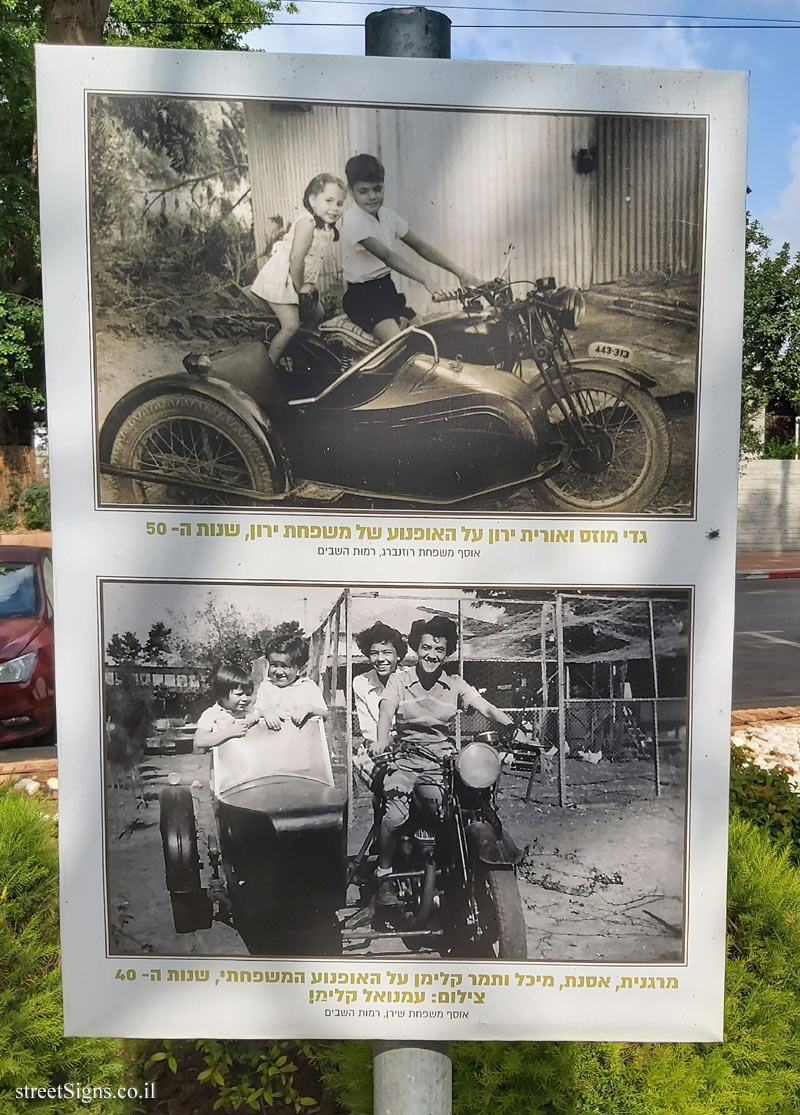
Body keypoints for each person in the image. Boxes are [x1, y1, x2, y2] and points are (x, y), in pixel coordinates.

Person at [373, 615, 516, 904]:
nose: (432, 655)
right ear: (416, 648)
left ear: (447, 653)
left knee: (460, 809)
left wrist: (513, 727)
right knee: (396, 813)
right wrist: (381, 740)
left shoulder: (454, 684)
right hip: (406, 759)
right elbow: (386, 710)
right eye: (426, 647)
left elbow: (485, 707)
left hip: (441, 762)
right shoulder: (400, 680)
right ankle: (384, 874)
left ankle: (456, 873)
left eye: (440, 649)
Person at [340, 153, 479, 343]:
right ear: (350, 190)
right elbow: (387, 256)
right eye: (363, 191)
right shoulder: (352, 220)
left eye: (377, 189)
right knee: (399, 346)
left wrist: (460, 273)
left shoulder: (388, 216)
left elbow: (421, 246)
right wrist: (426, 280)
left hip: (387, 291)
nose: (372, 196)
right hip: (363, 297)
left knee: (428, 338)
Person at [251, 173, 347, 370]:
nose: (334, 208)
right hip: (282, 279)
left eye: (339, 203)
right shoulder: (307, 223)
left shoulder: (326, 229)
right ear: (312, 200)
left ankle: (301, 362)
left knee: (317, 313)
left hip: (296, 280)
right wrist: (300, 287)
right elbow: (296, 259)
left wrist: (308, 286)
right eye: (328, 200)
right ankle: (265, 371)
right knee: (291, 325)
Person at [351, 621, 407, 784]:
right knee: (386, 786)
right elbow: (368, 728)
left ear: (398, 655)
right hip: (378, 748)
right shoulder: (361, 682)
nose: (380, 659)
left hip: (409, 744)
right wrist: (383, 742)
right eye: (374, 653)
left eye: (387, 652)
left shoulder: (410, 678)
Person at [254, 633, 328, 732]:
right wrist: (265, 713)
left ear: (300, 667)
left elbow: (325, 715)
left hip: (301, 741)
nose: (279, 672)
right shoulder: (267, 686)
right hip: (272, 741)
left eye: (285, 666)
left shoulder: (308, 686)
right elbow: (256, 711)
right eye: (274, 665)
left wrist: (310, 709)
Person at [193, 663, 259, 752]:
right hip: (224, 762)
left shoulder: (249, 709)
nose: (245, 699)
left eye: (248, 694)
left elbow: (263, 713)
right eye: (239, 694)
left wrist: (256, 715)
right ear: (222, 694)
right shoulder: (212, 714)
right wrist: (229, 732)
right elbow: (199, 741)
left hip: (246, 761)